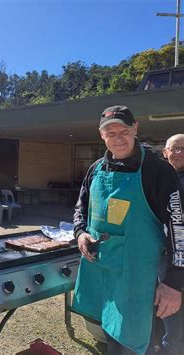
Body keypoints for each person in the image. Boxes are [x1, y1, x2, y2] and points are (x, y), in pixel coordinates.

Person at [71, 105, 184, 355]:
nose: (117, 137)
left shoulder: (158, 171)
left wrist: (174, 283)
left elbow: (179, 227)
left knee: (142, 342)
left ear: (135, 129)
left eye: (123, 130)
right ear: (102, 136)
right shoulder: (96, 169)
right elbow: (81, 208)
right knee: (112, 336)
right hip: (105, 273)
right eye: (110, 132)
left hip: (143, 278)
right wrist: (80, 233)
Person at [158, 134, 184, 355]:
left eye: (183, 149)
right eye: (173, 149)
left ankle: (171, 348)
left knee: (173, 306)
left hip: (179, 257)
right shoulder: (163, 179)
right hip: (163, 253)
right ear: (165, 152)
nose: (178, 153)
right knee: (166, 306)